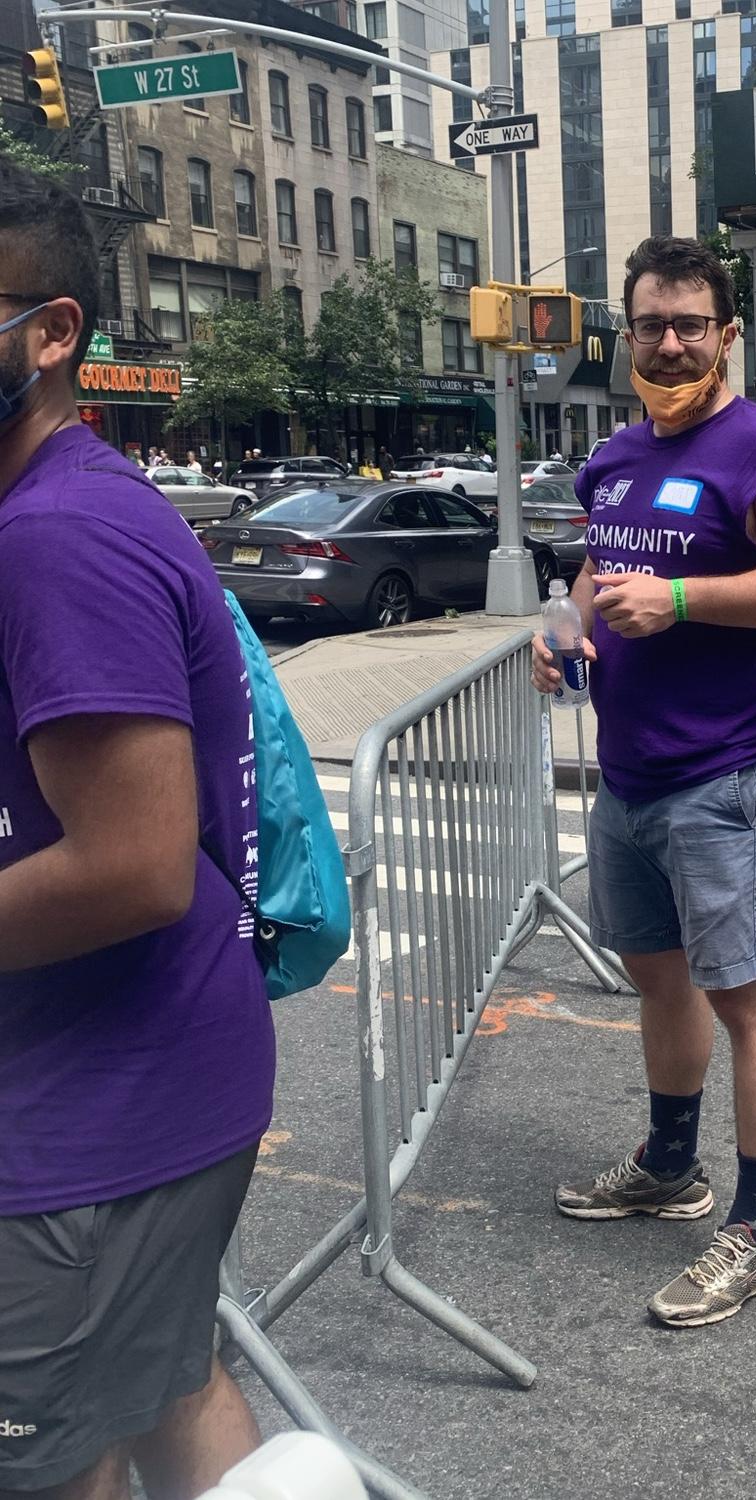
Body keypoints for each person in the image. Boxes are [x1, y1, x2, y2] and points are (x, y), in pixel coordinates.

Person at [0, 158, 273, 1497]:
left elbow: (133, 862)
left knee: (62, 1455)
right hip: (150, 1088)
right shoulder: (65, 508)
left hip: (85, 1122)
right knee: (164, 1385)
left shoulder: (56, 534)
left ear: (50, 334)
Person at [530, 235, 756, 1328]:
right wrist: (562, 624)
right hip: (630, 778)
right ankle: (672, 1166)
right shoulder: (616, 456)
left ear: (725, 334)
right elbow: (596, 561)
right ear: (627, 336)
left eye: (689, 325)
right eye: (649, 326)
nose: (668, 345)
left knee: (751, 998)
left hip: (732, 776)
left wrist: (680, 602)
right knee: (661, 983)